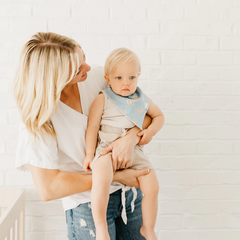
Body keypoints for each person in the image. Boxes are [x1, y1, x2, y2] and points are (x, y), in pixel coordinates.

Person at [13, 32, 154, 240]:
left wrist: (131, 138)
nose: (87, 68)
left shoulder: (99, 78)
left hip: (129, 194)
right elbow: (49, 188)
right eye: (78, 69)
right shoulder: (38, 121)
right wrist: (113, 176)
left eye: (84, 58)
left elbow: (147, 115)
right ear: (57, 77)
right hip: (86, 206)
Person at [83, 48, 164, 240]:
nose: (126, 83)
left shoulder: (142, 100)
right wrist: (89, 155)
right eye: (118, 77)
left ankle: (148, 228)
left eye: (131, 77)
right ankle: (101, 227)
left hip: (135, 151)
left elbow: (159, 116)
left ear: (138, 77)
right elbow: (92, 128)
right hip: (106, 149)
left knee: (152, 185)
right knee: (101, 179)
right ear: (108, 78)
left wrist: (150, 131)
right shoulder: (102, 99)